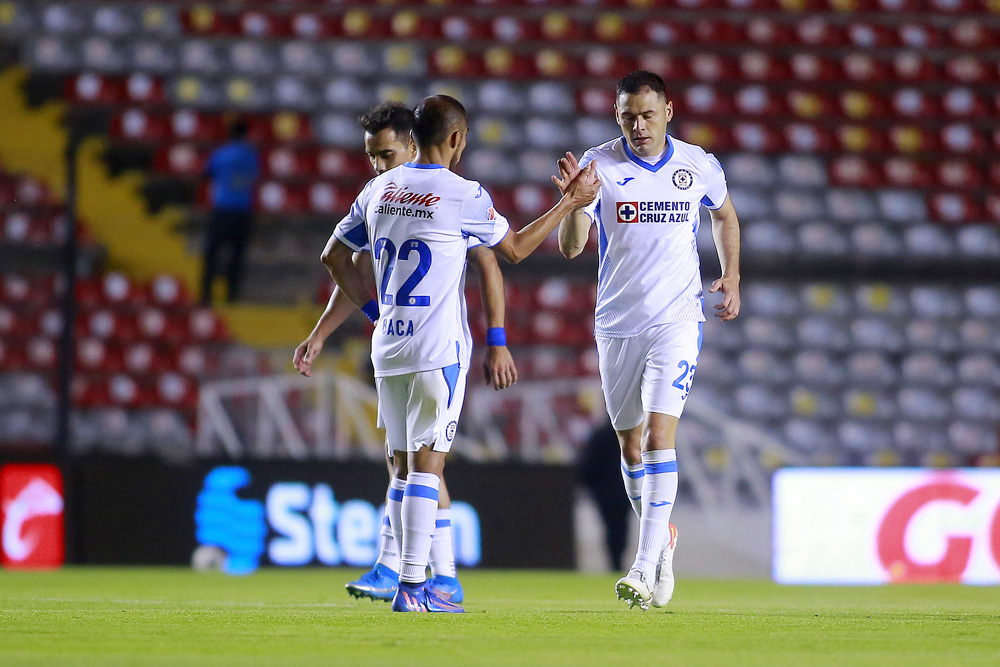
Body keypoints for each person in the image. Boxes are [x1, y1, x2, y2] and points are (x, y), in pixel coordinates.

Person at [323, 95, 599, 612]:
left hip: (390, 349)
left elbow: (334, 256)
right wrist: (570, 203)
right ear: (456, 139)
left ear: (413, 137)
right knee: (428, 469)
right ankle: (412, 586)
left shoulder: (378, 188)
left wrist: (373, 312)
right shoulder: (462, 193)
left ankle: (422, 580)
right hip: (437, 349)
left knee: (404, 469)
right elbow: (511, 250)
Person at [292, 102, 518, 605]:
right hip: (421, 344)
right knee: (414, 465)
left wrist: (496, 337)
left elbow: (489, 262)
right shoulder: (414, 195)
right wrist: (328, 330)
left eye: (385, 154)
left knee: (416, 464)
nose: (377, 165)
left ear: (413, 143)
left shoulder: (396, 195)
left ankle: (407, 571)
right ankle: (423, 578)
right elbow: (358, 271)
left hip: (407, 345)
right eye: (372, 157)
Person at [555, 70, 741, 610]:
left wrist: (731, 274)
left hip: (678, 320)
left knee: (662, 436)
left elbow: (725, 216)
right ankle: (664, 539)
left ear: (669, 111)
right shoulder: (600, 166)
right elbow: (571, 248)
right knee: (630, 447)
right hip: (617, 324)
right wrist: (571, 204)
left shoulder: (697, 164)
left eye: (648, 115)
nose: (638, 126)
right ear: (618, 118)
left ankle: (642, 563)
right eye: (628, 117)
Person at [200, 118, 259, 304]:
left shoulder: (221, 154)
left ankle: (206, 295)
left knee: (212, 254)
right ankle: (231, 296)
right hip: (243, 212)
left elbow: (206, 174)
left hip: (222, 210)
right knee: (237, 256)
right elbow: (255, 177)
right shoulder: (252, 156)